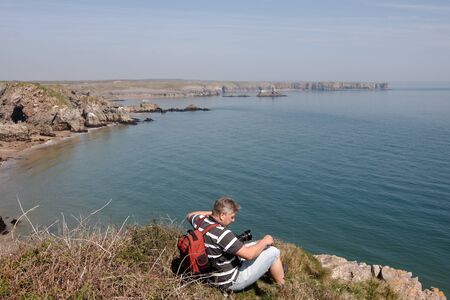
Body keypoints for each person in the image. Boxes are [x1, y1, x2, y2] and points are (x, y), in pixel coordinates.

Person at [186, 196, 285, 291]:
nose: (233, 220)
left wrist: (213, 214)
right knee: (274, 251)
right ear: (222, 215)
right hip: (229, 281)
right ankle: (282, 287)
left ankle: (270, 271)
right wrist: (265, 240)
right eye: (232, 217)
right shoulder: (222, 234)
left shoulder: (199, 221)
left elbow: (189, 215)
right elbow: (249, 255)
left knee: (257, 245)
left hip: (209, 276)